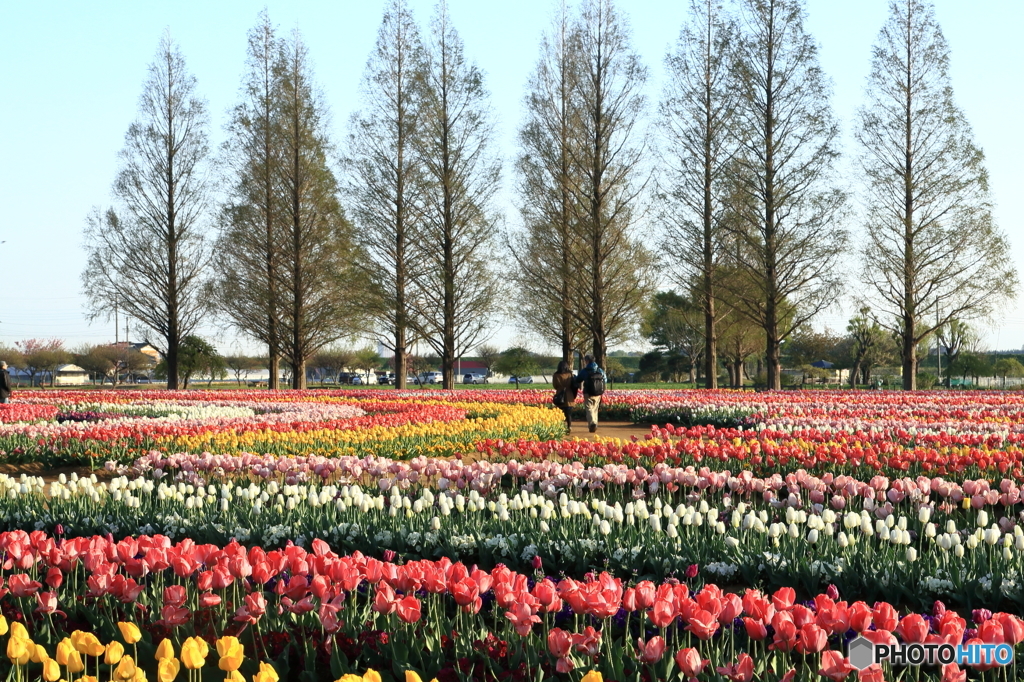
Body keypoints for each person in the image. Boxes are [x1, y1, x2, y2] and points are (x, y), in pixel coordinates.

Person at [576, 353, 606, 433]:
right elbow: (605, 380)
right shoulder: (600, 370)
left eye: (585, 360)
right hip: (598, 393)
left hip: (588, 393)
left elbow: (578, 379)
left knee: (589, 409)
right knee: (595, 409)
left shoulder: (585, 371)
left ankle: (592, 423)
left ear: (587, 361)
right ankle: (595, 424)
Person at [552, 360, 576, 433]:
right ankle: (569, 426)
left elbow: (555, 385)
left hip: (560, 394)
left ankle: (561, 426)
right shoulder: (570, 374)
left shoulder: (556, 375)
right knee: (568, 413)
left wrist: (560, 388)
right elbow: (573, 384)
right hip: (569, 394)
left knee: (560, 412)